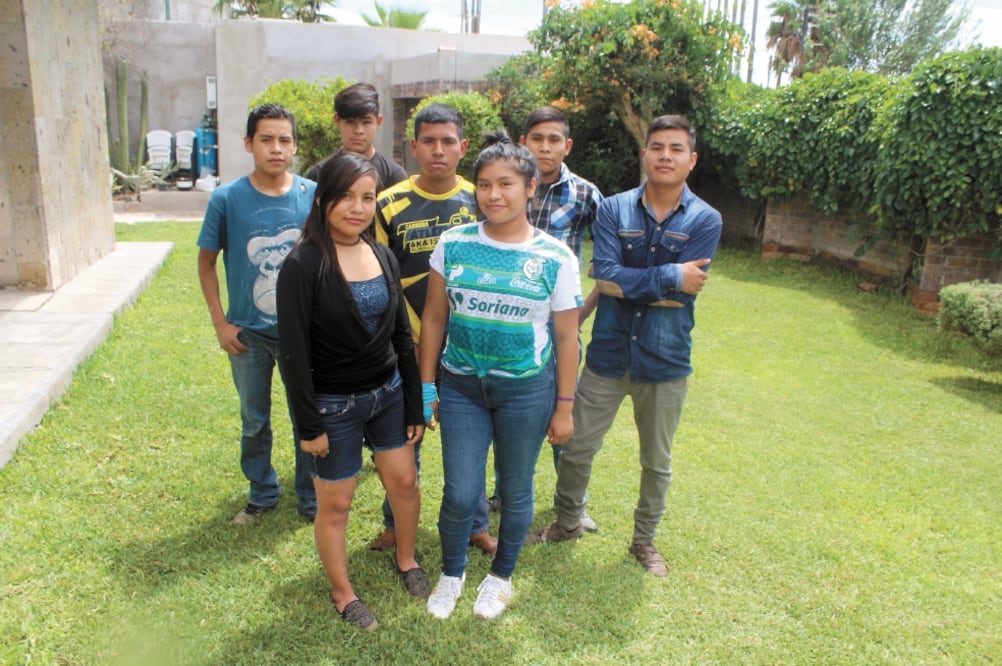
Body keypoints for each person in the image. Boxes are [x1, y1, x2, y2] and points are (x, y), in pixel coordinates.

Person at [525, 115, 722, 578]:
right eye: (657, 147)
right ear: (645, 153)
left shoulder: (706, 219)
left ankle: (644, 540)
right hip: (609, 354)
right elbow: (607, 277)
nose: (665, 156)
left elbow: (679, 296)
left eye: (676, 149)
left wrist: (635, 283)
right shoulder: (613, 209)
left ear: (691, 160)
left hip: (667, 360)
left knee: (657, 462)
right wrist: (673, 275)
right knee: (576, 447)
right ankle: (569, 521)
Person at [421, 131, 583, 620]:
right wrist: (427, 387)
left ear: (530, 187)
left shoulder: (557, 258)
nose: (494, 194)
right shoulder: (453, 244)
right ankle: (452, 574)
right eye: (485, 184)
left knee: (515, 489)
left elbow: (567, 339)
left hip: (526, 391)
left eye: (506, 184)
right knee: (459, 491)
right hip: (461, 386)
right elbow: (432, 318)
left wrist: (564, 407)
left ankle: (500, 577)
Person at [276, 152, 428, 631]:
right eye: (345, 196)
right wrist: (309, 426)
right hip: (332, 407)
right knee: (336, 504)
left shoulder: (381, 253)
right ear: (322, 200)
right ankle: (343, 593)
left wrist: (414, 403)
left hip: (388, 396)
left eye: (367, 197)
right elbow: (294, 355)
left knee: (403, 483)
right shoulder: (302, 265)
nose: (357, 208)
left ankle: (406, 559)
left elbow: (401, 336)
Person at [368, 103, 496, 558]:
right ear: (413, 147)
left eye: (448, 141)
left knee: (470, 439)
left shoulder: (480, 198)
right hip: (407, 349)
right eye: (429, 141)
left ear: (463, 147)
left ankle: (477, 524)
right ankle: (393, 524)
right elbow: (379, 276)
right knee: (405, 438)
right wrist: (410, 337)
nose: (438, 150)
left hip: (467, 349)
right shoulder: (387, 204)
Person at [196, 103, 317, 524]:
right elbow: (206, 262)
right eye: (266, 139)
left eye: (285, 139)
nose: (276, 148)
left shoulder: (311, 196)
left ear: (295, 145)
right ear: (249, 143)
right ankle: (262, 493)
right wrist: (220, 323)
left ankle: (311, 497)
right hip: (248, 334)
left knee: (309, 417)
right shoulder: (226, 199)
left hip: (304, 336)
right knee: (254, 421)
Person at [484, 106, 604, 527]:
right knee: (506, 405)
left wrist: (579, 315)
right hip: (508, 322)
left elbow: (607, 264)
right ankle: (503, 491)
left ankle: (572, 502)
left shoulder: (587, 194)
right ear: (523, 142)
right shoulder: (503, 186)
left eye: (555, 140)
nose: (546, 147)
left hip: (560, 327)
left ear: (567, 145)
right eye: (537, 139)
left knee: (563, 408)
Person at [305, 82, 408, 189]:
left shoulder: (394, 176)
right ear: (337, 121)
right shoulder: (319, 174)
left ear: (379, 121)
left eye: (366, 122)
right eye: (350, 122)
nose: (358, 130)